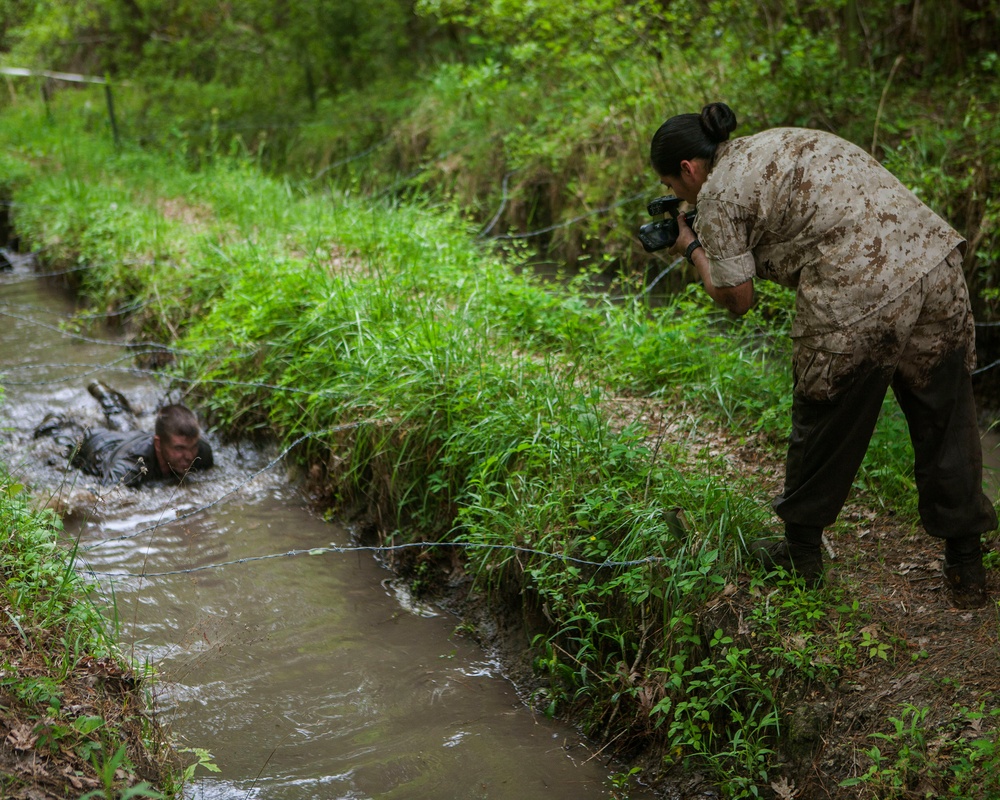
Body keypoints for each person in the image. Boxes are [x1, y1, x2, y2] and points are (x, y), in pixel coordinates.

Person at [649, 102, 997, 608]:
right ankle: (967, 569)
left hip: (858, 284)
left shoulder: (719, 192)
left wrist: (691, 247)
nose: (676, 197)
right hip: (936, 261)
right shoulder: (777, 140)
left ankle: (800, 555)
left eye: (671, 187)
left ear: (688, 168)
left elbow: (737, 300)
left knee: (824, 414)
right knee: (947, 417)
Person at [71, 403, 214, 487]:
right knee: (58, 431)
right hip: (94, 444)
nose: (189, 456)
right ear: (158, 443)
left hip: (132, 436)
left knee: (124, 424)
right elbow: (105, 498)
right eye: (179, 448)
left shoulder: (201, 454)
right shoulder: (129, 465)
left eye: (193, 446)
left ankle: (111, 399)